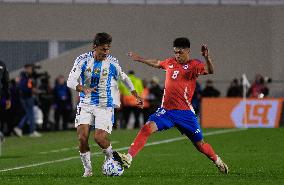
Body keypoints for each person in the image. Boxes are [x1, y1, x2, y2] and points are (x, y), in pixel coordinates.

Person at [113, 37, 229, 174]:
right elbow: (156, 63)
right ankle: (128, 158)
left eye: (180, 52)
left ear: (188, 51)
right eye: (175, 52)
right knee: (146, 128)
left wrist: (207, 57)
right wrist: (141, 59)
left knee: (200, 145)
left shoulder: (194, 65)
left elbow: (210, 70)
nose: (177, 55)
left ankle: (217, 160)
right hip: (166, 112)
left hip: (185, 114)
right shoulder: (169, 62)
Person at [67, 32, 143, 177]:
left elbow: (124, 77)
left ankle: (110, 159)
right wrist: (83, 88)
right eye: (103, 49)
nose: (106, 52)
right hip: (86, 103)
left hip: (104, 105)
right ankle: (88, 170)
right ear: (95, 47)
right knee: (82, 138)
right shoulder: (82, 60)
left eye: (108, 49)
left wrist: (135, 93)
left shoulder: (112, 62)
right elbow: (70, 81)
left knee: (99, 138)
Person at [13, 64, 42, 137]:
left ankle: (19, 127)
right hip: (27, 97)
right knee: (30, 113)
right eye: (30, 68)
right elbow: (24, 87)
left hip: (26, 96)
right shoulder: (25, 76)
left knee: (28, 113)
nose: (31, 70)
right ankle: (32, 131)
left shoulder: (25, 76)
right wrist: (32, 90)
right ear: (26, 69)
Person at [0, 60, 11, 141]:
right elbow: (6, 82)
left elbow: (6, 82)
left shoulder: (2, 64)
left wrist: (8, 98)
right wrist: (8, 98)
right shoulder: (2, 64)